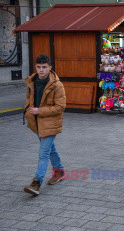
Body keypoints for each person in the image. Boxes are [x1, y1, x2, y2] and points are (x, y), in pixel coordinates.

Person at [23, 54, 66, 196]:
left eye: (44, 67)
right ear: (35, 67)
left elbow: (60, 107)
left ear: (50, 68)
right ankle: (59, 172)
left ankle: (36, 183)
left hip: (50, 123)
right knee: (50, 149)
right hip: (37, 123)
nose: (41, 70)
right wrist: (28, 112)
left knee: (43, 154)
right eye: (39, 67)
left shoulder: (57, 85)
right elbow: (29, 99)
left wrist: (39, 111)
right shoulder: (32, 81)